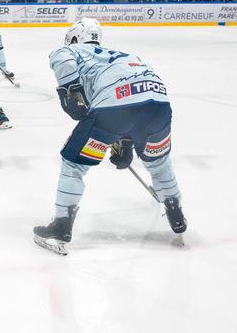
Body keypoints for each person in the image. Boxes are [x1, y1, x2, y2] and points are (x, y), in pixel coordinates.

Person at [33, 18, 186, 256]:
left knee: (74, 164)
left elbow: (61, 57)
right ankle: (175, 211)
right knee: (159, 164)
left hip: (115, 106)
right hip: (158, 105)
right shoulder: (124, 56)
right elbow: (133, 107)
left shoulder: (74, 50)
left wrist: (70, 89)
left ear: (75, 38)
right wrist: (124, 143)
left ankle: (61, 225)